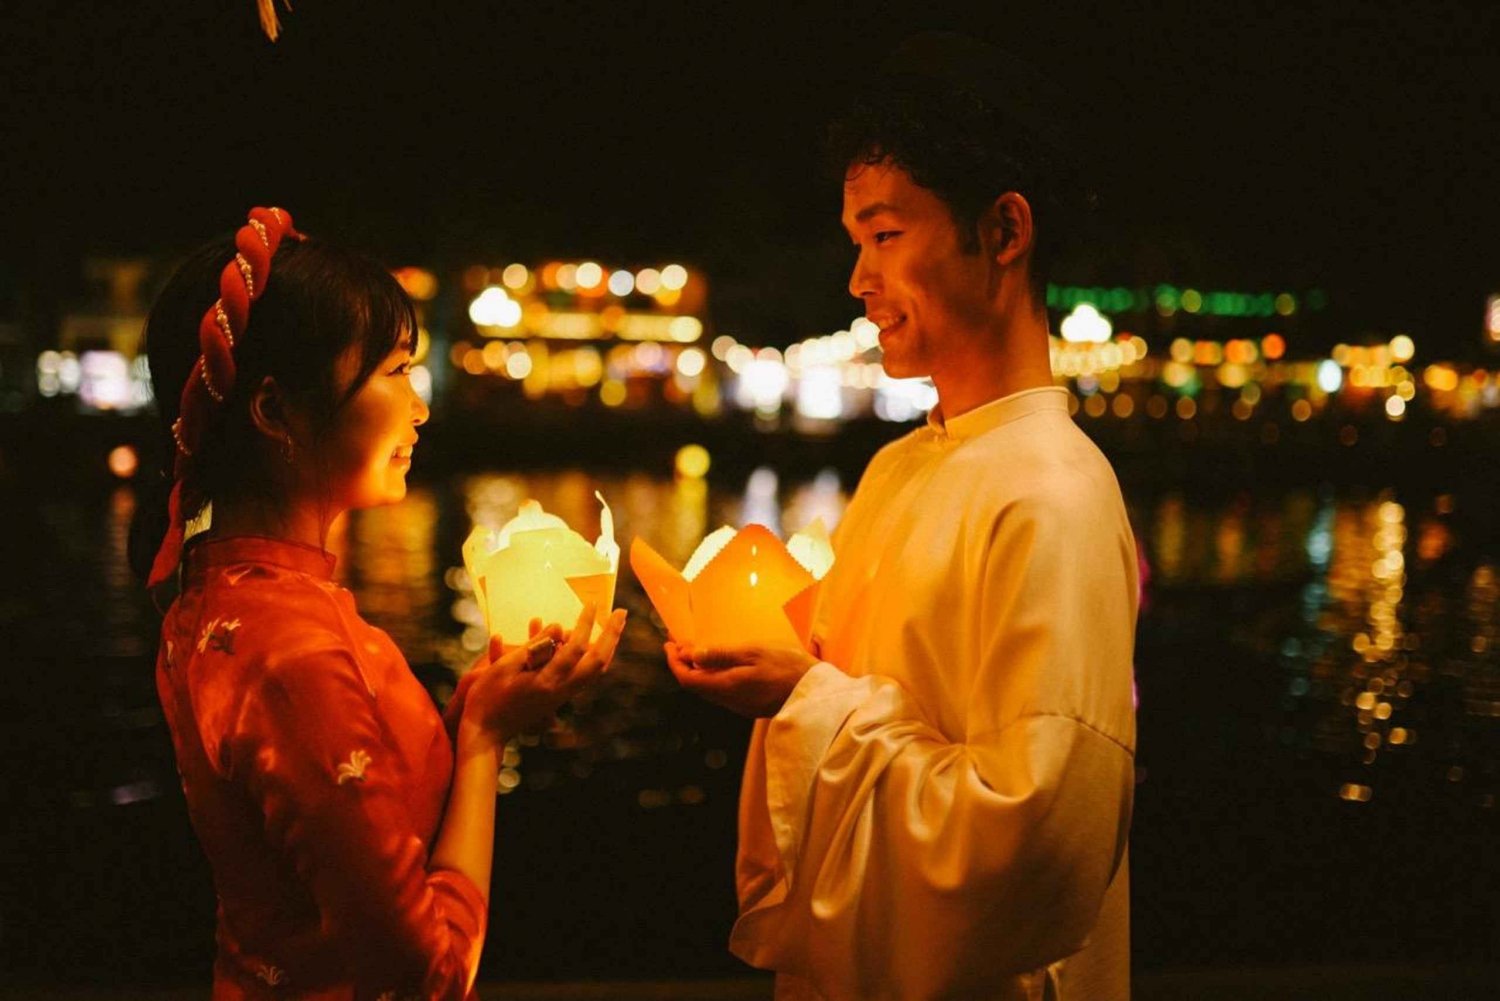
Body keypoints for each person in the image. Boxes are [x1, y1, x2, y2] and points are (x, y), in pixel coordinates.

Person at [666, 36, 1138, 1001]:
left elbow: (1037, 833)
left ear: (1004, 231)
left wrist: (802, 701)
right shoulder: (895, 467)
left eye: (885, 236)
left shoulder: (1054, 492)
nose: (857, 279)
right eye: (856, 241)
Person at [136, 207, 626, 999]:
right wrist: (484, 742)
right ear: (274, 412)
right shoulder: (295, 652)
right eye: (395, 372)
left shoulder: (218, 598)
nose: (421, 408)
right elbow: (422, 975)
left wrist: (476, 703)